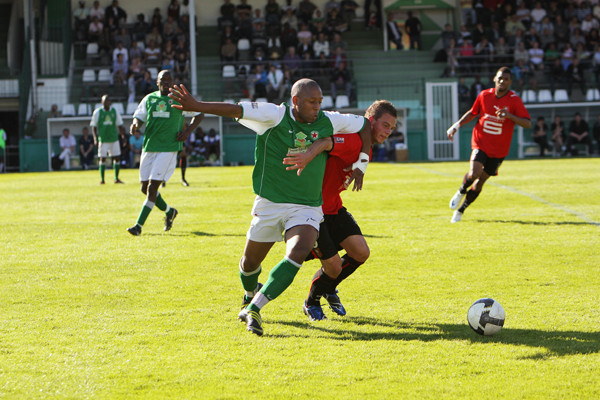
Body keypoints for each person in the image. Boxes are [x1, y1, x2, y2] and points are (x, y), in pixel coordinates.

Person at [168, 78, 373, 336]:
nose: (317, 107)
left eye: (320, 102)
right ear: (295, 101)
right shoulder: (274, 115)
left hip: (307, 207)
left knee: (299, 249)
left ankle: (255, 307)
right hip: (270, 204)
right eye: (311, 102)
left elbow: (364, 125)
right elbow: (234, 110)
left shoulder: (328, 120)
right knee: (249, 263)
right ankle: (249, 293)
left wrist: (361, 163)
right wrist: (196, 105)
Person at [283, 100, 397, 320]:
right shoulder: (354, 139)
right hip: (314, 210)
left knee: (360, 252)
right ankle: (312, 301)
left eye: (391, 128)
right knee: (333, 266)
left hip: (333, 206)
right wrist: (307, 157)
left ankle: (327, 286)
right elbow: (327, 142)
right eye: (385, 125)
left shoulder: (366, 149)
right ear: (370, 121)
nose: (388, 132)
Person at [446, 66, 531, 223]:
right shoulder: (484, 95)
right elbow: (473, 112)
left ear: (510, 82)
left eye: (505, 79)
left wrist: (509, 115)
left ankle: (461, 210)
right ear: (494, 79)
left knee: (480, 183)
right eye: (499, 78)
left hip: (499, 150)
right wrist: (456, 125)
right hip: (481, 142)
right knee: (474, 172)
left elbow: (527, 123)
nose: (502, 81)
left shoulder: (514, 100)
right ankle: (460, 191)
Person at [127, 70, 203, 236]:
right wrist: (134, 125)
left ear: (173, 82)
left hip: (168, 148)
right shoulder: (149, 98)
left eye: (169, 79)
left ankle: (138, 226)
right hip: (149, 147)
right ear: (157, 81)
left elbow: (199, 114)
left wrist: (188, 132)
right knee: (144, 188)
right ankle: (170, 212)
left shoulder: (178, 98)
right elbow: (139, 117)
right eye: (163, 79)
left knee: (153, 188)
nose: (166, 82)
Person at [90, 94, 125, 184]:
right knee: (102, 158)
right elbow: (93, 126)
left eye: (108, 100)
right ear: (102, 102)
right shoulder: (98, 112)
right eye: (105, 100)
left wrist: (122, 136)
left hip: (114, 138)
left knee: (116, 157)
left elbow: (119, 124)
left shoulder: (114, 111)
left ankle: (116, 178)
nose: (107, 102)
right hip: (103, 139)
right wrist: (95, 138)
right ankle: (102, 179)